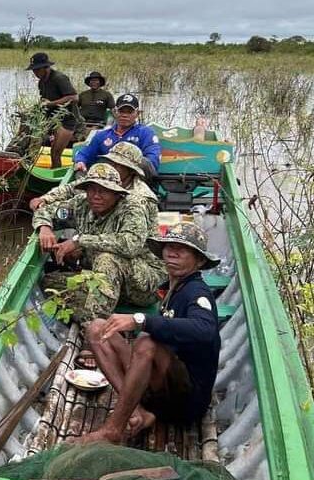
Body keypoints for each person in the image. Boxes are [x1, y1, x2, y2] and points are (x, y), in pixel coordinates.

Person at [70, 222, 222, 444]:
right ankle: (136, 410)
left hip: (185, 401)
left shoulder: (197, 292)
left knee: (145, 342)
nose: (172, 252)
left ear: (199, 260)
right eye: (169, 246)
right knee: (97, 328)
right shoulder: (173, 286)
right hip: (158, 390)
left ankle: (113, 429)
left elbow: (205, 330)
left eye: (183, 249)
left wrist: (139, 319)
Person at [34, 163, 164, 324]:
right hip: (104, 280)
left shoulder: (132, 207)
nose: (96, 196)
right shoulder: (81, 204)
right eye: (91, 189)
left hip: (142, 283)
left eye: (103, 191)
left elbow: (130, 245)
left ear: (117, 194)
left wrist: (79, 241)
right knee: (50, 283)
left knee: (107, 259)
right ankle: (106, 308)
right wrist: (44, 228)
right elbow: (46, 211)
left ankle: (93, 327)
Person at [30, 142, 157, 233]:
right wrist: (45, 199)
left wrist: (79, 243)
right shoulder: (104, 176)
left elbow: (130, 241)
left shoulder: (139, 198)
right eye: (111, 162)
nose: (112, 166)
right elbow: (72, 188)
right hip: (97, 235)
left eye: (119, 165)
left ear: (131, 170)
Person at [74, 93, 160, 177]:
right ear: (115, 112)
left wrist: (125, 166)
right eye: (121, 111)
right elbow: (84, 153)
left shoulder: (146, 133)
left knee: (143, 162)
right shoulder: (102, 135)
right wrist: (80, 161)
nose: (125, 115)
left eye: (129, 112)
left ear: (137, 113)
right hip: (106, 179)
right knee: (80, 170)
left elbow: (152, 162)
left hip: (133, 178)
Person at [26, 52, 80, 170]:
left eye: (37, 70)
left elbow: (74, 97)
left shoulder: (59, 78)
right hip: (51, 119)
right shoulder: (41, 82)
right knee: (31, 143)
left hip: (67, 120)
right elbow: (44, 101)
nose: (35, 73)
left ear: (46, 67)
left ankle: (55, 175)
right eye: (33, 70)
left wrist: (51, 103)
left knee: (55, 153)